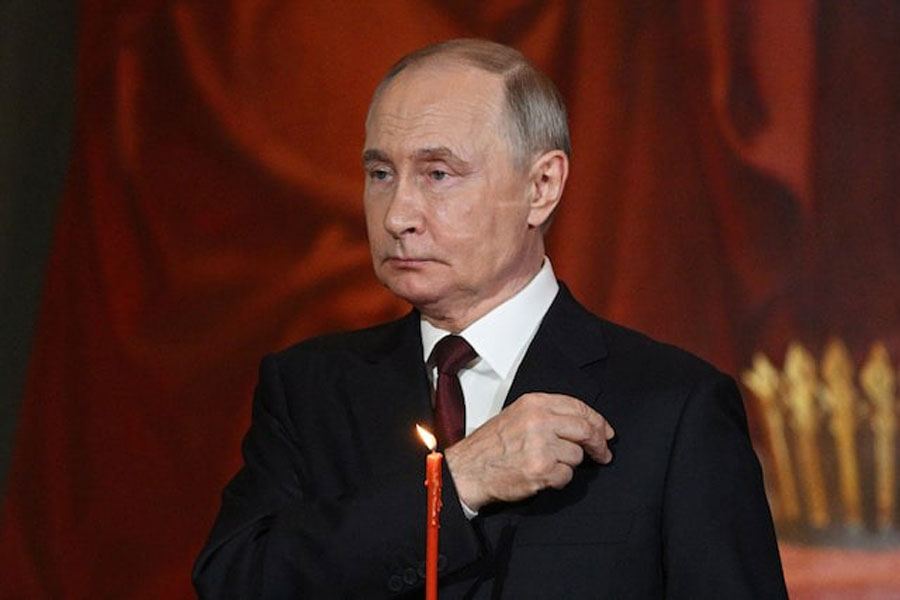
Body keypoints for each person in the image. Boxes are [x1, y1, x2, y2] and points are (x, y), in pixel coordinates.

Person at [193, 39, 787, 599]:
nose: (398, 213)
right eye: (380, 174)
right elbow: (235, 581)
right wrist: (455, 486)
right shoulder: (309, 389)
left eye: (438, 174)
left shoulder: (674, 407)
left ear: (541, 186)